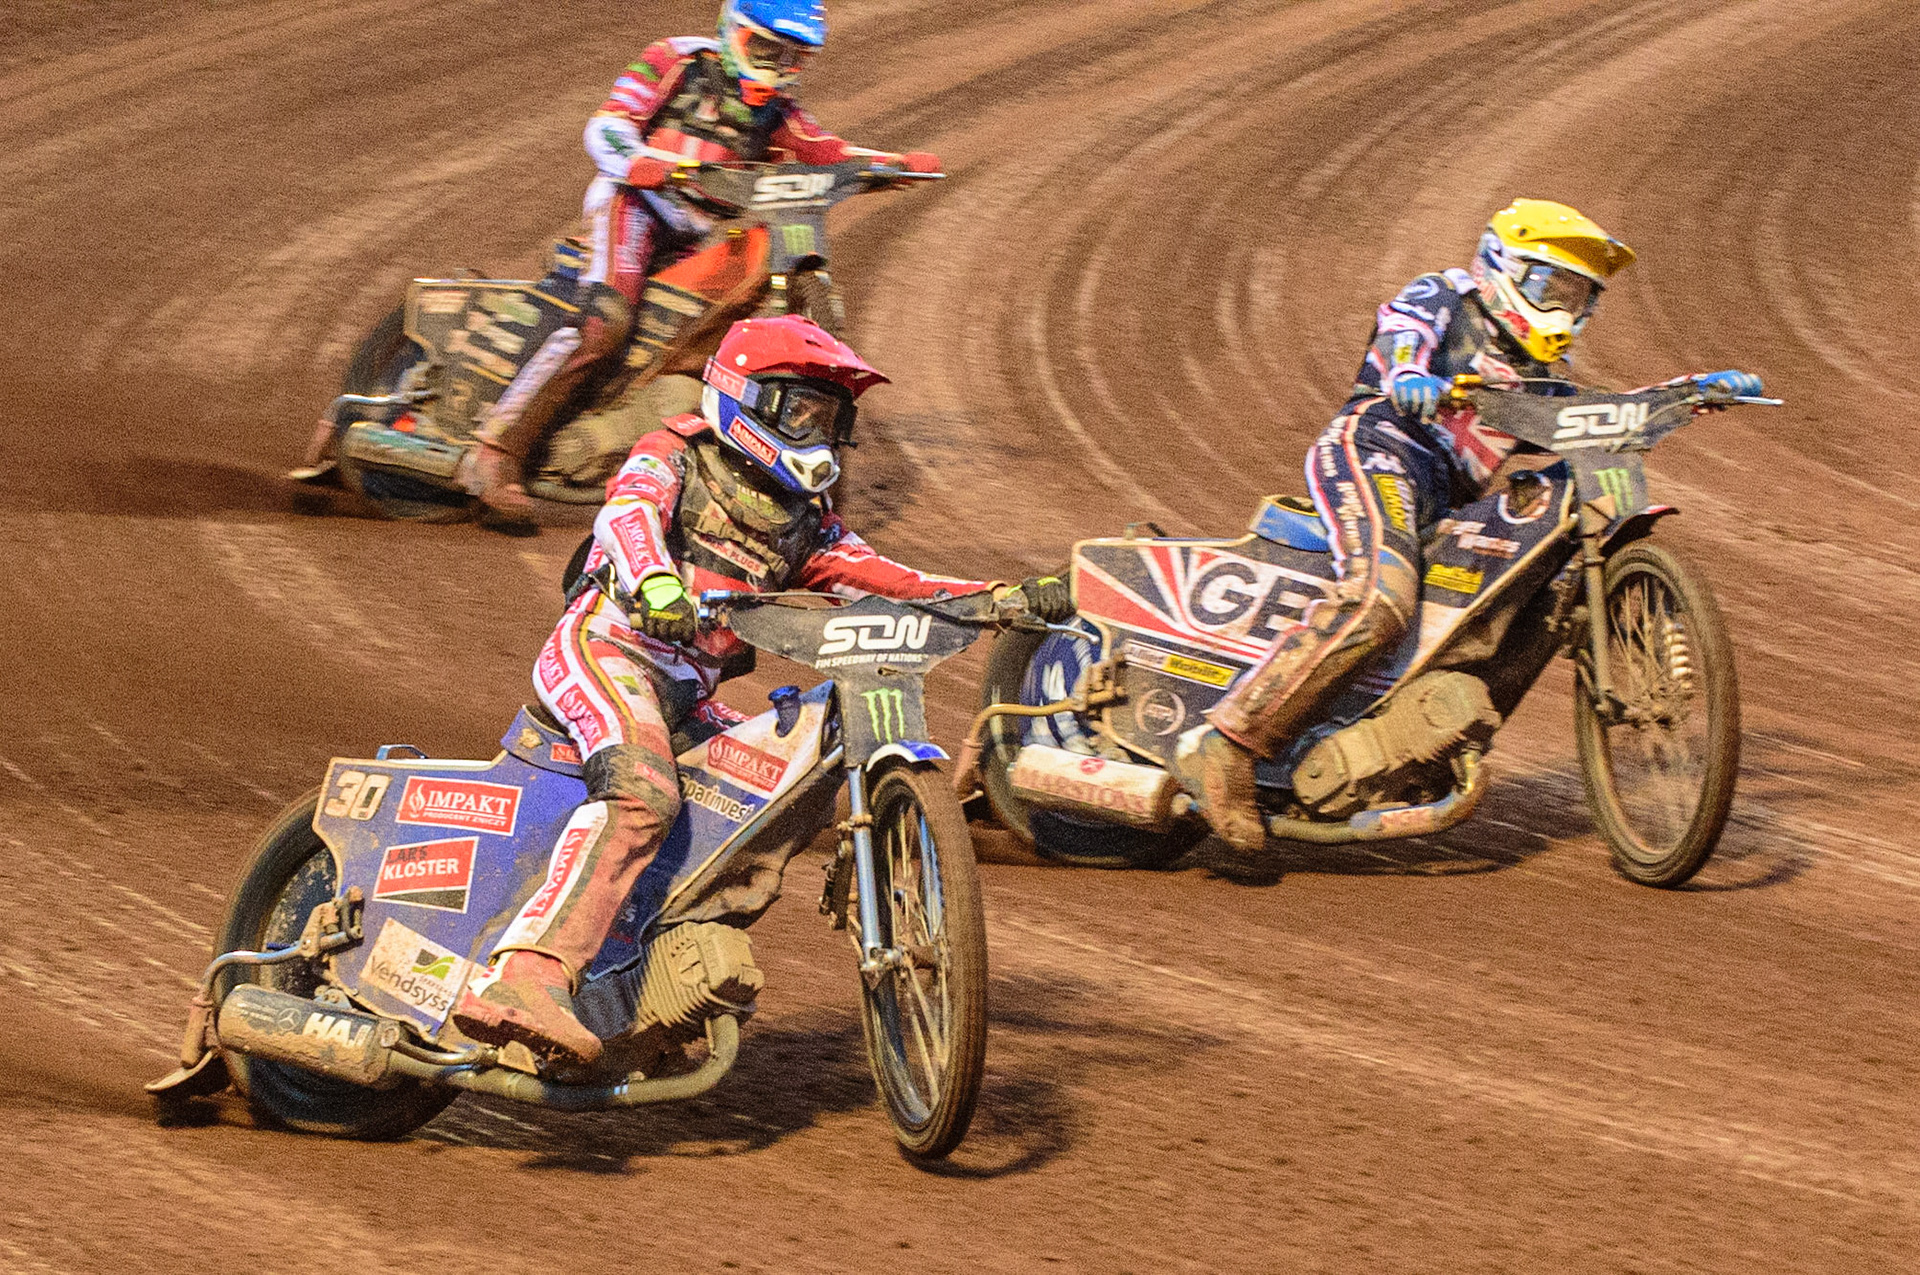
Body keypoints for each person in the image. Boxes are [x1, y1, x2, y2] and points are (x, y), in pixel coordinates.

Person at [453, 315, 1071, 1064]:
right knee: (645, 794)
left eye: (828, 417)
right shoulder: (675, 453)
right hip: (609, 650)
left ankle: (637, 974)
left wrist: (1002, 598)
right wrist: (654, 580)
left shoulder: (805, 521)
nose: (815, 431)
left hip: (683, 690)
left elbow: (895, 582)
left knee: (759, 795)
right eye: (799, 410)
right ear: (746, 399)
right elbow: (628, 514)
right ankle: (526, 975)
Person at [1171, 198, 1764, 851]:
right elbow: (1402, 332)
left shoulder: (1534, 377)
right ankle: (1227, 744)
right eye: (1552, 288)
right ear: (1502, 266)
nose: (1565, 310)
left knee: (1510, 589)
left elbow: (1599, 412)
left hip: (1446, 495)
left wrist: (1690, 392)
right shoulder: (1444, 298)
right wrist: (1407, 375)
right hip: (1380, 452)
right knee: (1382, 599)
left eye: (1580, 298)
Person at [471, 0, 941, 523]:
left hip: (692, 236)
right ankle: (498, 451)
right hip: (633, 206)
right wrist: (636, 160)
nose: (779, 65)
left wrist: (892, 165)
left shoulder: (778, 112)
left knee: (706, 339)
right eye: (767, 48)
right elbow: (605, 124)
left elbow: (826, 150)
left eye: (794, 56)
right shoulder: (675, 60)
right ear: (734, 31)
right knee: (607, 323)